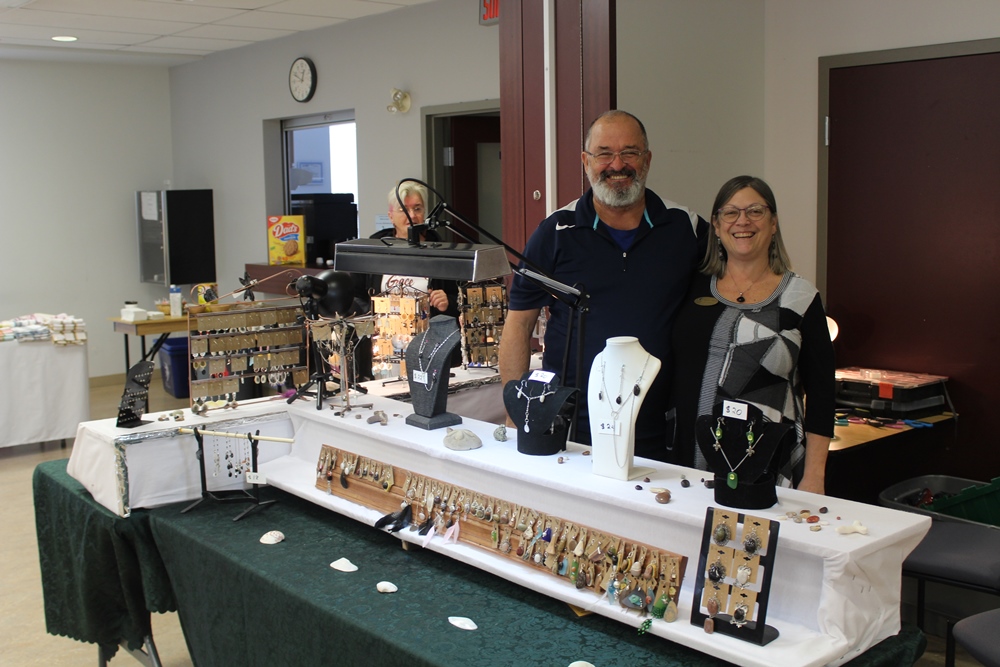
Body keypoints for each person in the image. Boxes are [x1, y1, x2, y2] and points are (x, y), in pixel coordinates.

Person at [500, 110, 708, 459]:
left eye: (629, 152)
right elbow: (519, 325)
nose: (617, 164)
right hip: (569, 428)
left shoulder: (686, 229)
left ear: (647, 160)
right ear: (586, 161)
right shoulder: (555, 232)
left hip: (660, 430)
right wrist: (515, 417)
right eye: (604, 153)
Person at [665, 175, 834, 494]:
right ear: (716, 225)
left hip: (770, 467)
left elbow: (823, 395)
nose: (742, 221)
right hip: (688, 465)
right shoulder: (691, 289)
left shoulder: (801, 298)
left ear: (773, 223)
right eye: (730, 212)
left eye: (755, 211)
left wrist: (815, 475)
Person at [354, 182, 460, 380]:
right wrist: (370, 317)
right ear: (391, 216)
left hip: (429, 345)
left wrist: (449, 302)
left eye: (417, 208)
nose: (412, 215)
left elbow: (464, 302)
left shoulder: (445, 251)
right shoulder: (373, 250)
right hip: (384, 347)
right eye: (404, 209)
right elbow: (357, 295)